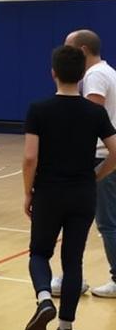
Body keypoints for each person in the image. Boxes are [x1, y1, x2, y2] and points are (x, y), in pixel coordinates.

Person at [23, 45, 116, 330]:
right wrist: (96, 175)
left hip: (49, 192)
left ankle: (44, 298)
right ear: (82, 76)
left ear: (53, 73)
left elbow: (29, 158)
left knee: (39, 253)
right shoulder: (95, 111)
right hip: (82, 194)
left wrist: (28, 192)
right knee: (72, 260)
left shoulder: (39, 109)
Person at [60, 29, 116, 299]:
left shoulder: (94, 76)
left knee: (105, 221)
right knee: (86, 219)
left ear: (82, 50)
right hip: (105, 154)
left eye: (68, 48)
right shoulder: (108, 72)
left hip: (101, 156)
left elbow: (89, 118)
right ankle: (74, 276)